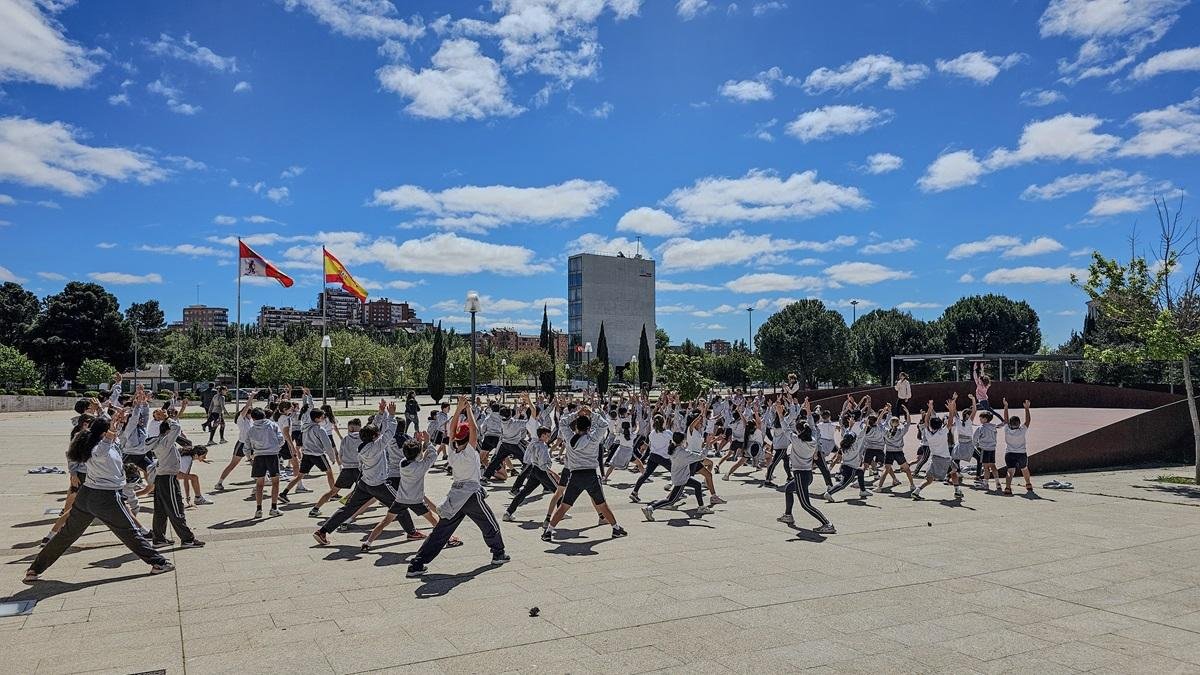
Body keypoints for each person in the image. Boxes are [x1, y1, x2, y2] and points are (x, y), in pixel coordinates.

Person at [24, 404, 174, 583]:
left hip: (88, 495)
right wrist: (110, 429)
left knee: (67, 534)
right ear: (104, 433)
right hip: (105, 497)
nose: (117, 430)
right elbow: (104, 446)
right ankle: (158, 563)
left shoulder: (102, 441)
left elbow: (113, 432)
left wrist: (118, 417)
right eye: (113, 429)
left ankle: (34, 569)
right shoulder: (96, 448)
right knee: (129, 531)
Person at [406, 397, 509, 577]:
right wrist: (467, 410)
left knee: (441, 531)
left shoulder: (453, 451)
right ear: (469, 439)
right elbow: (474, 430)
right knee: (489, 524)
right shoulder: (470, 452)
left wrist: (458, 409)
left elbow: (451, 430)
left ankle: (417, 563)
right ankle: (498, 553)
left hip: (455, 496)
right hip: (470, 494)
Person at [313, 400, 403, 544]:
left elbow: (374, 429)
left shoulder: (364, 445)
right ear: (375, 437)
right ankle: (412, 532)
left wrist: (381, 413)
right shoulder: (377, 446)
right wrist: (391, 416)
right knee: (400, 503)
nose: (379, 433)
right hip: (378, 483)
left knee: (348, 508)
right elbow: (389, 433)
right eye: (377, 433)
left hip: (364, 483)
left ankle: (322, 531)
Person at [542, 403, 629, 542]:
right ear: (589, 428)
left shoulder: (570, 439)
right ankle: (616, 528)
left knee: (564, 505)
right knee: (602, 504)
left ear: (576, 427)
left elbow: (563, 422)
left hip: (575, 475)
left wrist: (577, 413)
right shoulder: (594, 438)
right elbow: (604, 424)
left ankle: (549, 531)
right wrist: (591, 413)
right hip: (591, 476)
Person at [362, 433, 462, 552]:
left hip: (400, 499)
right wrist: (427, 442)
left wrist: (418, 443)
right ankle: (449, 539)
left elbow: (416, 456)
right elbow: (432, 455)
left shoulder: (402, 463)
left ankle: (368, 542)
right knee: (433, 520)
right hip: (416, 500)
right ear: (418, 453)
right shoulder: (421, 467)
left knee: (385, 521)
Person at [147, 402, 204, 548]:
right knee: (176, 509)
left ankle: (159, 538)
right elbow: (176, 428)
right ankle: (187, 539)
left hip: (161, 478)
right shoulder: (166, 441)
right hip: (168, 478)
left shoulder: (158, 441)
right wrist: (167, 418)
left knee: (160, 510)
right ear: (167, 431)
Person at [777, 412, 835, 534]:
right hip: (808, 475)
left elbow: (785, 429)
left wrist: (780, 414)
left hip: (800, 475)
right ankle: (788, 515)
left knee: (805, 504)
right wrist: (809, 413)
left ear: (799, 432)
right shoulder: (813, 440)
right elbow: (813, 428)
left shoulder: (797, 441)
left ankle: (827, 524)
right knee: (788, 489)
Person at [912, 395, 962, 501]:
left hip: (934, 459)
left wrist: (929, 409)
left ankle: (917, 491)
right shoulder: (942, 433)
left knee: (929, 479)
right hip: (945, 459)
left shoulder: (928, 433)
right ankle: (957, 491)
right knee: (954, 471)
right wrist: (951, 409)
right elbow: (950, 421)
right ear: (940, 425)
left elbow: (926, 422)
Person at [503, 426, 558, 521]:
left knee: (524, 492)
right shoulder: (543, 447)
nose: (549, 437)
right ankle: (561, 512)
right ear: (543, 435)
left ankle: (508, 512)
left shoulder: (533, 444)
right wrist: (554, 474)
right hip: (542, 472)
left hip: (534, 470)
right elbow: (543, 466)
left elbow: (526, 458)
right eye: (548, 435)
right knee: (558, 491)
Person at [245, 403, 286, 518]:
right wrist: (276, 447)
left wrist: (249, 457)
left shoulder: (251, 429)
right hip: (272, 455)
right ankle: (274, 507)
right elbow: (281, 438)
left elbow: (247, 445)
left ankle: (259, 509)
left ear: (253, 418)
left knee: (259, 484)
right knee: (275, 482)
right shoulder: (272, 425)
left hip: (259, 456)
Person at [1002, 398, 1035, 495]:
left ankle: (1008, 488)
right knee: (1024, 468)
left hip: (1009, 453)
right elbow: (1028, 420)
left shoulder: (1007, 429)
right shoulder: (1022, 430)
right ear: (1019, 424)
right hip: (1021, 454)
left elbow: (1005, 419)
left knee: (1010, 471)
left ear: (1010, 424)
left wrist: (1006, 407)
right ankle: (1028, 484)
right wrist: (1027, 408)